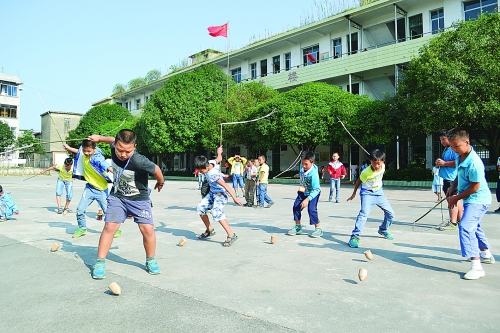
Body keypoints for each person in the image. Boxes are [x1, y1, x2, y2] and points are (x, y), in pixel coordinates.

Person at [90, 129, 165, 279]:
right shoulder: (113, 146)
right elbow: (111, 139)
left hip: (139, 199)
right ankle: (99, 262)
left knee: (148, 230)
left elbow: (156, 169)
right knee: (109, 227)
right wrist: (99, 138)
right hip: (118, 197)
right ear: (115, 145)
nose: (123, 154)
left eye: (128, 151)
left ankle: (151, 260)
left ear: (134, 147)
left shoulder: (139, 160)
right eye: (120, 150)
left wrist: (161, 182)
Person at [445, 128, 495, 280]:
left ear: (467, 142)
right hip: (471, 199)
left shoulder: (474, 163)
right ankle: (485, 253)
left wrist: (456, 198)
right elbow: (459, 175)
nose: (454, 149)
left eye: (457, 146)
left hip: (479, 200)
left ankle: (476, 266)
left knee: (466, 226)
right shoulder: (461, 156)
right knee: (474, 226)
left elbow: (475, 187)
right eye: (452, 147)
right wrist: (452, 188)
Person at [63, 140, 121, 238]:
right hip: (89, 188)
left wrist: (117, 174)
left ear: (94, 149)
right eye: (85, 151)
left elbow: (105, 165)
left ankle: (116, 229)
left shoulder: (97, 158)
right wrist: (68, 148)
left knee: (108, 212)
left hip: (102, 190)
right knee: (80, 209)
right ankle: (82, 228)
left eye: (89, 151)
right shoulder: (83, 152)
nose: (86, 153)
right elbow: (79, 151)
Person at [195, 147, 243, 247]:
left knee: (216, 212)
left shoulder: (212, 174)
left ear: (205, 166)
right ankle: (210, 230)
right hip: (212, 193)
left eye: (201, 170)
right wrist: (219, 152)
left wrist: (235, 198)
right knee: (200, 208)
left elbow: (225, 185)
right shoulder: (211, 163)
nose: (200, 172)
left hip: (221, 194)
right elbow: (219, 159)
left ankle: (231, 234)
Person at [347, 149, 395, 248]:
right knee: (363, 214)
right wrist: (354, 193)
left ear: (383, 161)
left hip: (379, 192)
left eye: (379, 163)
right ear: (370, 161)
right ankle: (354, 237)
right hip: (367, 193)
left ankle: (383, 229)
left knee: (391, 214)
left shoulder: (383, 167)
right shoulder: (366, 172)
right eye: (374, 163)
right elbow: (358, 181)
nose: (377, 166)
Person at [287, 151, 322, 237]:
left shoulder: (314, 174)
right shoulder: (302, 167)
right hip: (303, 190)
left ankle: (318, 229)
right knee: (296, 206)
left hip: (313, 193)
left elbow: (317, 189)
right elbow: (303, 174)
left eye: (306, 164)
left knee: (311, 209)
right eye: (302, 163)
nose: (303, 166)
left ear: (312, 162)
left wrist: (307, 199)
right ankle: (298, 227)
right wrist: (299, 175)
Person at [435, 129, 463, 231]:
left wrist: (444, 164)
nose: (442, 142)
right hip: (447, 178)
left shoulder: (453, 149)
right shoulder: (447, 149)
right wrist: (440, 163)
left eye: (444, 139)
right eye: (441, 140)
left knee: (452, 200)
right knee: (455, 199)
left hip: (452, 178)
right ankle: (460, 220)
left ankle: (453, 222)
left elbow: (458, 162)